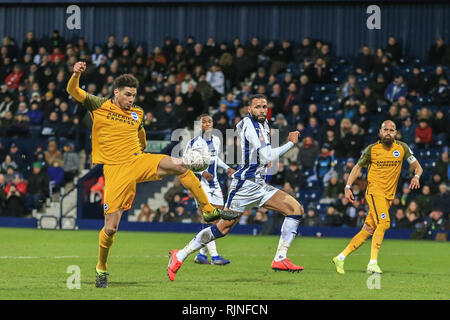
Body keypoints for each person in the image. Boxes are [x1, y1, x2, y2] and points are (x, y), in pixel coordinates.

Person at [66, 61, 231, 288]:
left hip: (138, 160)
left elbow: (141, 134)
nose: (131, 99)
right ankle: (101, 267)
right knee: (111, 228)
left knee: (181, 165)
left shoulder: (137, 113)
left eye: (134, 95)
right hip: (115, 170)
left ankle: (209, 210)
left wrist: (142, 148)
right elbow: (73, 91)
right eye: (127, 95)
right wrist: (76, 74)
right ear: (116, 93)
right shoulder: (99, 105)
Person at [167, 94, 305, 281]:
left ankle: (280, 258)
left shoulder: (262, 125)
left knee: (296, 210)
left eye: (265, 106)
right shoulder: (250, 125)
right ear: (249, 109)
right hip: (244, 187)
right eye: (257, 107)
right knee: (222, 229)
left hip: (260, 185)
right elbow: (267, 155)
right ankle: (180, 255)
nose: (262, 110)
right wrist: (291, 143)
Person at [332, 120, 423, 274]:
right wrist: (347, 186)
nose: (388, 132)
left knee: (368, 229)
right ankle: (372, 263)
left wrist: (417, 177)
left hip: (388, 196)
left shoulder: (402, 148)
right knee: (384, 222)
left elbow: (418, 167)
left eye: (391, 130)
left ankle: (340, 257)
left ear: (396, 133)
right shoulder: (372, 149)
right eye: (385, 129)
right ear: (380, 132)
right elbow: (357, 167)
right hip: (375, 192)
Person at [185, 114, 235, 265]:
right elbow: (187, 162)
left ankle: (201, 255)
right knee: (209, 218)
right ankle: (214, 256)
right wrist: (201, 172)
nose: (208, 124)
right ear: (199, 125)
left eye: (210, 121)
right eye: (204, 122)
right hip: (201, 184)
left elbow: (215, 159)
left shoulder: (217, 140)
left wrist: (227, 168)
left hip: (215, 183)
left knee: (218, 218)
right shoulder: (193, 143)